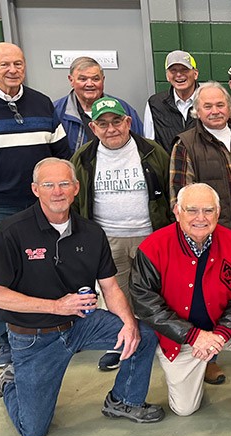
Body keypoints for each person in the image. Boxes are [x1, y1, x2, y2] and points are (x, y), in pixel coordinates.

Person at [0, 158, 164, 436]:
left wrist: (128, 322)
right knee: (33, 430)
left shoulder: (92, 233)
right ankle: (11, 382)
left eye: (64, 184)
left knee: (143, 333)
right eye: (49, 185)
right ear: (35, 190)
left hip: (81, 324)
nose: (57, 191)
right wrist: (56, 306)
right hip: (34, 336)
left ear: (76, 188)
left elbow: (110, 287)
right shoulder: (11, 232)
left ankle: (123, 400)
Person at [0, 42, 70, 369]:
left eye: (18, 63)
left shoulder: (42, 103)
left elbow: (62, 155)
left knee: (49, 269)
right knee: (0, 277)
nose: (12, 70)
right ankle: (5, 341)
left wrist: (60, 197)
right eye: (4, 64)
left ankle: (51, 331)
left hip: (43, 208)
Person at [132, 183, 231, 436]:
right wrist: (193, 336)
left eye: (208, 211)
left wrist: (220, 333)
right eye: (192, 210)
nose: (201, 218)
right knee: (184, 409)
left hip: (221, 330)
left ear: (218, 214)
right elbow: (146, 304)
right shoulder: (152, 247)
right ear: (177, 211)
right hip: (181, 339)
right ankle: (195, 369)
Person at [170, 80, 231, 384]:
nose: (215, 111)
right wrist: (197, 236)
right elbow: (180, 198)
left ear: (229, 107)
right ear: (197, 111)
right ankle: (208, 358)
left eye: (220, 105)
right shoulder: (186, 144)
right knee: (208, 299)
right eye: (207, 106)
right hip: (209, 241)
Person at [71, 96, 172, 372]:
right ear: (93, 128)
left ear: (128, 122)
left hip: (149, 235)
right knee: (117, 295)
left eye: (117, 121)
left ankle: (163, 341)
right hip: (107, 239)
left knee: (157, 292)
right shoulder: (83, 158)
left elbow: (169, 189)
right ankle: (121, 342)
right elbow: (75, 201)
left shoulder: (152, 152)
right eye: (103, 124)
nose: (111, 128)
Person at [53, 56, 143, 152]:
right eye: (83, 79)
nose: (90, 84)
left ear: (103, 80)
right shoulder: (56, 112)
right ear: (71, 80)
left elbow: (141, 144)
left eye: (95, 79)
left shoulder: (123, 109)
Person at [143, 50, 199, 151]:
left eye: (184, 70)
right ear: (167, 76)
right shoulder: (155, 104)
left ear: (195, 74)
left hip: (202, 165)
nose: (179, 74)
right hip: (169, 166)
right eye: (173, 70)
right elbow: (150, 144)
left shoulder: (208, 101)